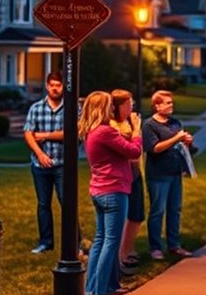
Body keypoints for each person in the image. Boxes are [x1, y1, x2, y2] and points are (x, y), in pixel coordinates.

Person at [79, 90, 142, 295]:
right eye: (110, 105)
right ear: (103, 108)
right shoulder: (105, 132)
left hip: (99, 190)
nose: (113, 108)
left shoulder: (92, 131)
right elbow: (134, 151)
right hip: (113, 190)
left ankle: (94, 288)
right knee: (110, 242)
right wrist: (136, 132)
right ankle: (99, 290)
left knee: (100, 239)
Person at [142, 90, 195, 260]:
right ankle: (155, 247)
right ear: (157, 106)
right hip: (158, 174)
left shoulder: (175, 123)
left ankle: (174, 244)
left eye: (171, 102)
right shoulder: (149, 125)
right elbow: (154, 148)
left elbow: (180, 144)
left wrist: (187, 141)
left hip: (175, 172)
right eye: (167, 103)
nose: (171, 105)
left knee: (175, 209)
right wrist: (176, 139)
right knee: (157, 210)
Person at [23, 71, 68, 254]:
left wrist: (45, 135)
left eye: (58, 85)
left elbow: (72, 133)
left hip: (63, 164)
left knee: (67, 203)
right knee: (43, 204)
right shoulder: (36, 108)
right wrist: (40, 154)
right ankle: (46, 242)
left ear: (64, 86)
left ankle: (75, 242)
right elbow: (28, 133)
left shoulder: (71, 108)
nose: (55, 88)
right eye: (52, 85)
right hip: (40, 165)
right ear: (47, 86)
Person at [109, 90, 144, 275]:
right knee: (122, 217)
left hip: (136, 173)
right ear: (119, 106)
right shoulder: (113, 126)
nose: (132, 107)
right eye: (129, 104)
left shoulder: (130, 122)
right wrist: (136, 131)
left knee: (137, 214)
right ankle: (120, 257)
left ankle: (127, 250)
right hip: (122, 177)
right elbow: (130, 151)